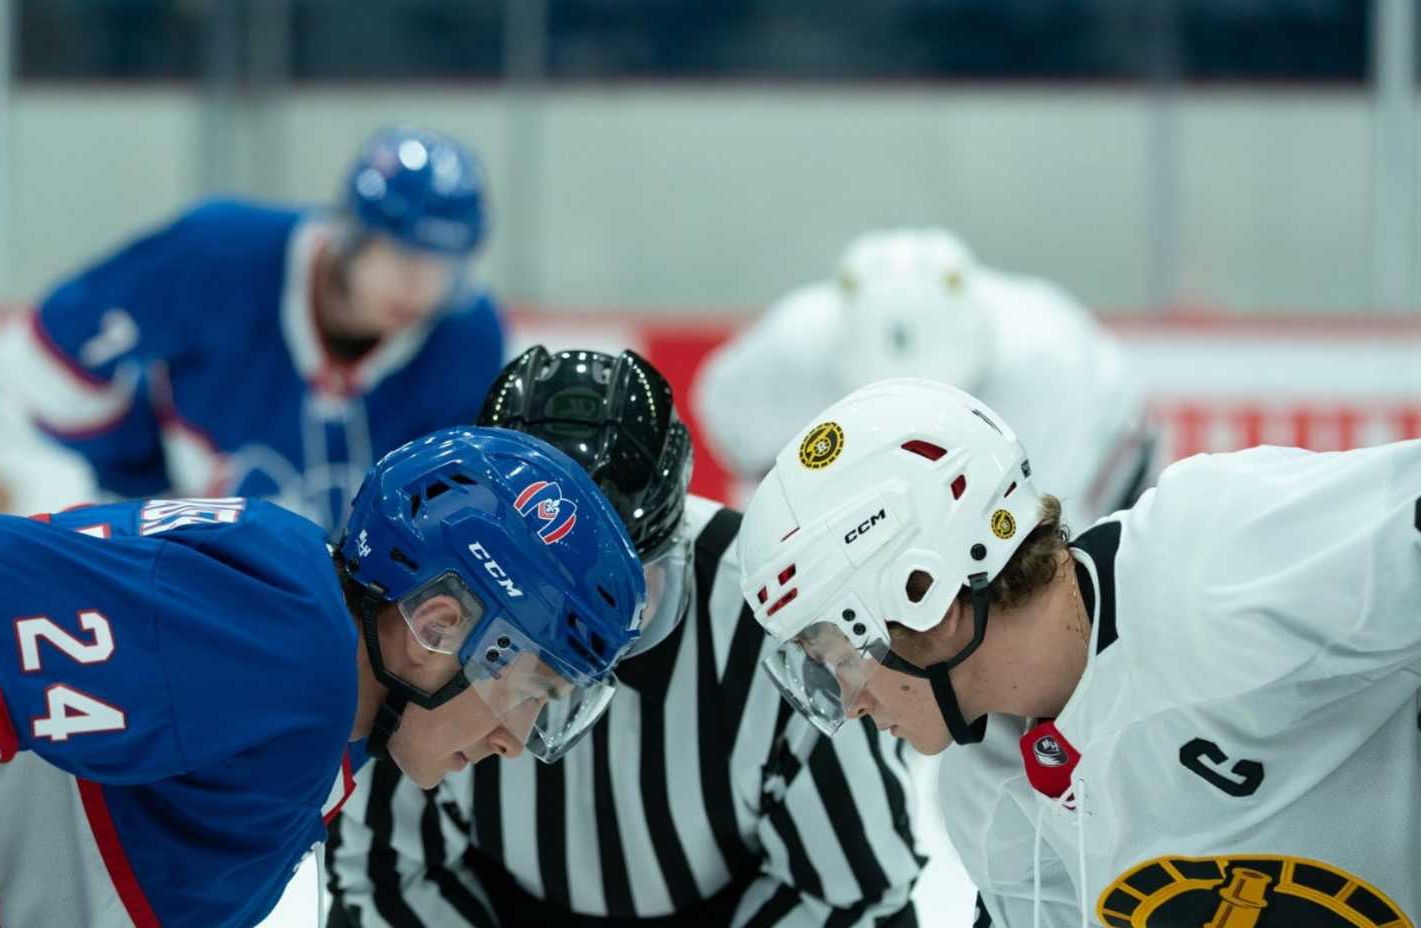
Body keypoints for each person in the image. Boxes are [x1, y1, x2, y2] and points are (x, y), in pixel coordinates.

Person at [0, 426, 645, 927]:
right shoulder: (290, 644)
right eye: (529, 691)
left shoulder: (322, 727)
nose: (515, 739)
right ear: (439, 627)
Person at [736, 377, 1421, 927]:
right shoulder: (987, 799)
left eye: (837, 655)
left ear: (926, 594)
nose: (848, 701)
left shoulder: (1214, 557)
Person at [325, 347, 923, 927]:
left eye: (630, 592)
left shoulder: (773, 610)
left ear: (677, 542)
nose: (592, 643)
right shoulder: (428, 636)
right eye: (547, 603)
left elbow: (858, 888)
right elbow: (383, 873)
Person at [10, 125, 506, 536]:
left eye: (443, 267)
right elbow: (55, 355)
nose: (419, 287)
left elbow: (454, 511)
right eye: (401, 255)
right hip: (188, 569)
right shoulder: (221, 254)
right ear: (352, 234)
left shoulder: (467, 337)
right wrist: (142, 481)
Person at [694, 228, 1153, 531]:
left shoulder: (1052, 364)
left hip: (1113, 456)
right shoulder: (788, 353)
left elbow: (1048, 535)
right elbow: (732, 432)